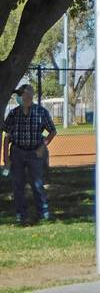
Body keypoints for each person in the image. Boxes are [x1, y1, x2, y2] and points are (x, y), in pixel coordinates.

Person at [2, 84, 56, 224]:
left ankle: (43, 214)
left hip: (34, 153)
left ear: (30, 95)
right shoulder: (13, 114)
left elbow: (52, 131)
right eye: (20, 95)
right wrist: (6, 158)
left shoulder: (41, 112)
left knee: (37, 184)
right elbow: (6, 136)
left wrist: (42, 147)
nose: (21, 97)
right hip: (17, 152)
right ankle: (21, 215)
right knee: (18, 185)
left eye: (23, 94)